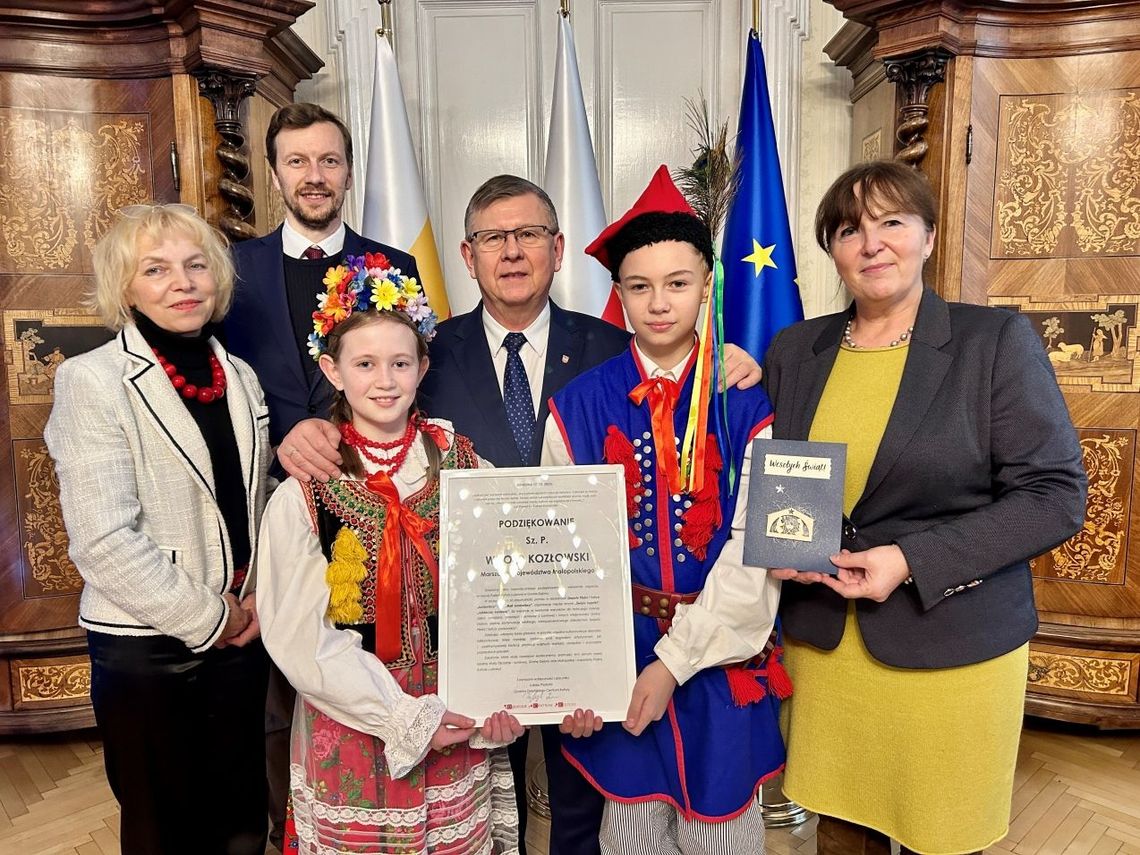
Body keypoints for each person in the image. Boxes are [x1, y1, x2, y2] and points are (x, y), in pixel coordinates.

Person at [278, 174, 765, 855]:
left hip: (587, 641)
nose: (511, 251)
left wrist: (730, 359)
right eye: (492, 237)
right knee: (484, 817)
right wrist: (303, 432)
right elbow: (361, 401)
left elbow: (681, 359)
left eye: (529, 234)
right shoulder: (423, 349)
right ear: (466, 253)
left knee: (580, 814)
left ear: (558, 249)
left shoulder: (609, 345)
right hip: (471, 649)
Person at [763, 159, 1087, 855]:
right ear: (833, 250)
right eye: (850, 229)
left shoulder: (992, 343)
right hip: (825, 649)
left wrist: (911, 558)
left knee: (943, 835)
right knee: (842, 836)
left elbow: (1054, 496)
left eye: (892, 222)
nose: (872, 243)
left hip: (951, 646)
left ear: (930, 236)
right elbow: (775, 475)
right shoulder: (794, 350)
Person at [542, 166, 787, 855]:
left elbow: (756, 552)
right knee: (630, 835)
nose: (659, 303)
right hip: (619, 659)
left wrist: (675, 662)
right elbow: (559, 558)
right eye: (639, 286)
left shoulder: (746, 402)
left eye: (678, 283)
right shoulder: (577, 405)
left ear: (705, 285)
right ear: (617, 293)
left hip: (720, 660)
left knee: (721, 837)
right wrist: (574, 678)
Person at [255, 253, 521, 853]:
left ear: (423, 367)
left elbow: (517, 580)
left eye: (400, 362)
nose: (384, 379)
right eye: (365, 363)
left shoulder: (465, 465)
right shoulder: (305, 491)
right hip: (352, 716)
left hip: (458, 709)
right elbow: (299, 636)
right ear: (333, 369)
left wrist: (512, 690)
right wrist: (403, 718)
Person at [44, 203, 272, 855]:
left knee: (241, 819)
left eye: (197, 264)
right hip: (149, 649)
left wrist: (259, 599)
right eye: (157, 268)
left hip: (243, 631)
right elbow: (104, 541)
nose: (184, 281)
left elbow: (254, 503)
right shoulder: (91, 381)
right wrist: (214, 617)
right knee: (165, 828)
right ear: (125, 286)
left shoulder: (239, 376)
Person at [223, 102, 422, 846]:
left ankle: (395, 811)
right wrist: (281, 438)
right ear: (275, 173)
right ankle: (301, 827)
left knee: (381, 661)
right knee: (288, 688)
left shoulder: (393, 266)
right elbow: (220, 384)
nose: (315, 175)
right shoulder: (233, 270)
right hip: (278, 505)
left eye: (329, 160)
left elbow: (403, 377)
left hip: (377, 504)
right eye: (298, 162)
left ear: (347, 170)